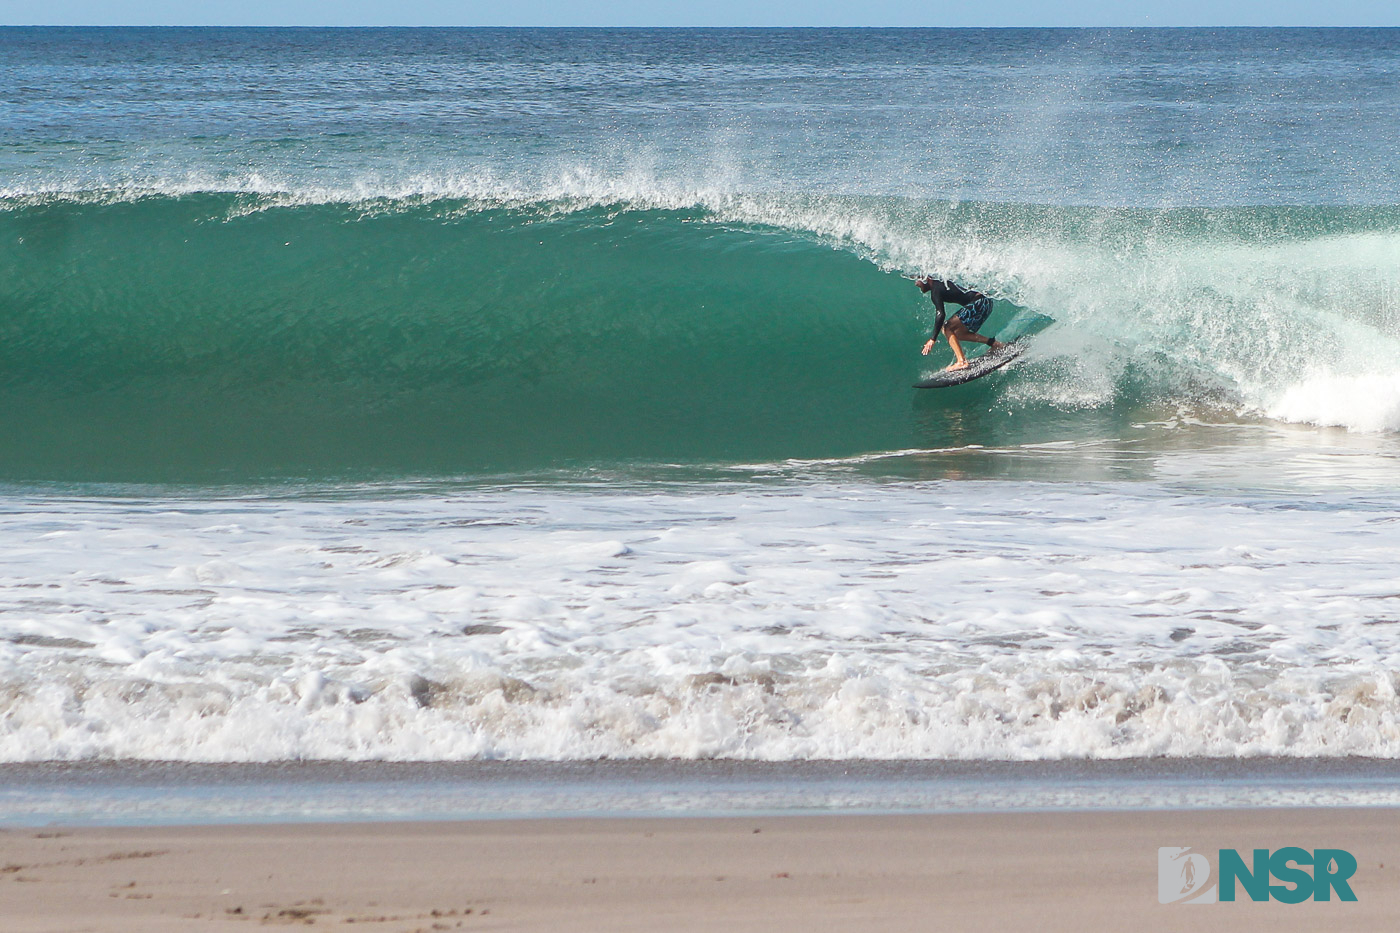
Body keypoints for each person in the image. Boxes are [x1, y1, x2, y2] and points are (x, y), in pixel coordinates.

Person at [916, 276, 1004, 371]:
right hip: (986, 302)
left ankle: (961, 362)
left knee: (947, 327)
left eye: (918, 279)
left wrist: (932, 339)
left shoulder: (935, 290)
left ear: (927, 278)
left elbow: (940, 314)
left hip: (979, 302)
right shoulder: (943, 281)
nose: (916, 283)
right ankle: (994, 344)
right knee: (957, 333)